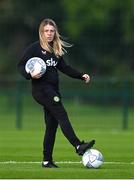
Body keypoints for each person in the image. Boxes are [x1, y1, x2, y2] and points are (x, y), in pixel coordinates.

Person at [18, 18, 95, 168]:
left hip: (53, 90)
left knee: (52, 125)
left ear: (55, 32)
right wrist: (29, 75)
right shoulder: (34, 48)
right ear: (41, 32)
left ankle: (47, 160)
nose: (49, 33)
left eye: (52, 31)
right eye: (46, 31)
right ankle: (78, 145)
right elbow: (21, 65)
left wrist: (81, 75)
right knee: (61, 114)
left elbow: (65, 68)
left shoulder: (55, 49)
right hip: (41, 90)